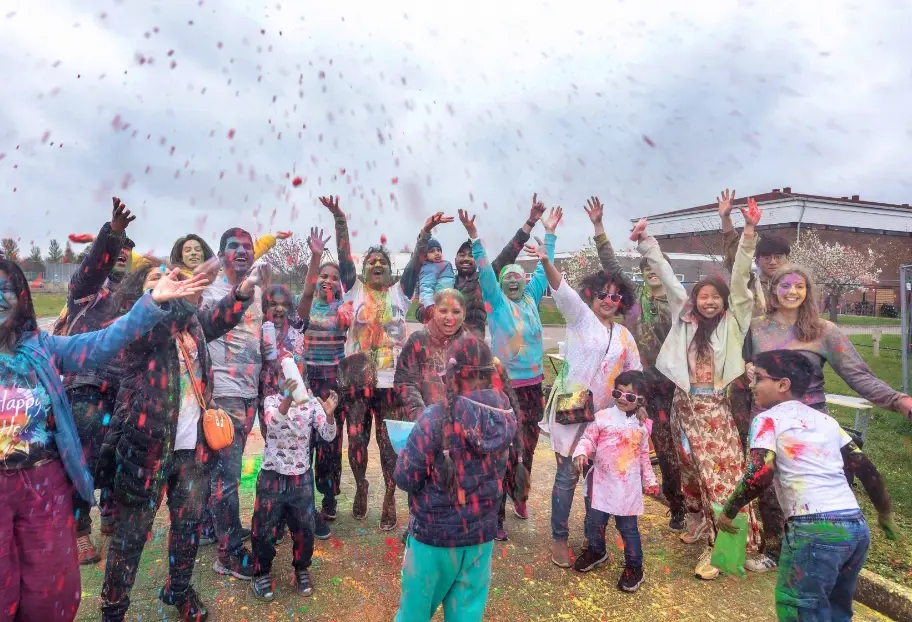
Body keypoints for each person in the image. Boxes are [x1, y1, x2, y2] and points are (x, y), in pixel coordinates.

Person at [0, 259, 206, 622]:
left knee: (52, 594)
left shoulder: (40, 347)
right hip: (142, 453)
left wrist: (153, 301)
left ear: (20, 297)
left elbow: (101, 343)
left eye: (5, 289)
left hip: (41, 486)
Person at [98, 262, 256, 621]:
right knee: (131, 534)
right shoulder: (136, 326)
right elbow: (162, 323)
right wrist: (178, 296)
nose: (168, 282)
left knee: (187, 526)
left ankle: (179, 589)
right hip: (147, 448)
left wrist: (240, 296)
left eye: (172, 277)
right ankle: (113, 609)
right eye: (156, 278)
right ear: (140, 294)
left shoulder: (190, 322)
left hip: (192, 447)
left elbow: (215, 319)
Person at [742, 264, 912, 573]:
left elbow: (858, 375)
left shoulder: (824, 331)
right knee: (766, 487)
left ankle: (816, 553)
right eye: (785, 286)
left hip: (810, 426)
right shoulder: (756, 328)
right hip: (767, 421)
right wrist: (747, 369)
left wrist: (898, 400)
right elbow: (745, 364)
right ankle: (777, 550)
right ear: (773, 290)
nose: (792, 291)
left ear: (807, 292)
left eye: (799, 286)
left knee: (808, 489)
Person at [718, 350, 899, 621]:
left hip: (814, 530)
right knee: (838, 610)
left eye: (758, 378)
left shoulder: (768, 419)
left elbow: (760, 474)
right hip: (854, 529)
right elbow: (866, 469)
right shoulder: (827, 422)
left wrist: (729, 511)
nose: (753, 385)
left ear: (782, 385)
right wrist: (884, 512)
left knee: (801, 612)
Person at [632, 202, 761, 581]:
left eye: (714, 296)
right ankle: (700, 523)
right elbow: (670, 279)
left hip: (714, 412)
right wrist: (646, 242)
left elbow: (740, 280)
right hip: (683, 407)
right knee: (691, 473)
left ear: (724, 302)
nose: (708, 300)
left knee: (719, 476)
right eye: (702, 295)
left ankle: (724, 549)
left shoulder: (733, 322)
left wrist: (748, 234)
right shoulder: (684, 320)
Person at [528, 234, 642, 567]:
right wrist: (547, 262)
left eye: (615, 296)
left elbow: (635, 375)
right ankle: (559, 539)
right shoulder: (579, 318)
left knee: (599, 480)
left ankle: (595, 541)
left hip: (607, 419)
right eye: (603, 294)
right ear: (591, 296)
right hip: (573, 411)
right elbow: (561, 289)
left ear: (621, 301)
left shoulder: (624, 336)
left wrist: (635, 411)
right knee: (567, 477)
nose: (609, 300)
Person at [392, 333, 517, 622]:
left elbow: (405, 477)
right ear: (489, 374)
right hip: (480, 540)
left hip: (433, 540)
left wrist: (407, 450)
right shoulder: (506, 416)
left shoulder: (435, 418)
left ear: (451, 375)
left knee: (413, 614)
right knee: (467, 616)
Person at [584, 195, 685, 532]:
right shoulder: (633, 306)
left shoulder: (679, 309)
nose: (653, 273)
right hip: (634, 390)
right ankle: (613, 504)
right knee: (620, 443)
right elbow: (612, 268)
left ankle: (678, 505)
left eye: (658, 269)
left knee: (669, 449)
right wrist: (599, 229)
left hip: (669, 387)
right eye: (648, 269)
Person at [339, 212, 446, 529]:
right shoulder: (353, 291)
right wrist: (341, 222)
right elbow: (344, 258)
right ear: (363, 269)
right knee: (357, 442)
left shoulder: (401, 292)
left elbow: (415, 263)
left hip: (390, 385)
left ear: (389, 270)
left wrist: (424, 232)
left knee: (389, 448)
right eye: (370, 261)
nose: (376, 265)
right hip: (357, 382)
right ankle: (361, 486)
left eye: (381, 262)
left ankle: (389, 497)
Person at [459, 198, 559, 521]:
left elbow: (546, 267)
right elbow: (486, 270)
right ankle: (496, 511)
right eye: (508, 277)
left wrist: (551, 235)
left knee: (527, 447)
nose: (513, 279)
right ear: (501, 284)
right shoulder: (497, 303)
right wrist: (474, 237)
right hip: (504, 388)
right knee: (502, 447)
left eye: (518, 275)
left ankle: (520, 493)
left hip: (533, 388)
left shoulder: (532, 299)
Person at [52, 198, 137, 565]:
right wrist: (112, 235)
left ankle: (110, 513)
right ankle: (79, 528)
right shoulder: (86, 291)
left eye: (127, 250)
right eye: (118, 250)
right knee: (82, 457)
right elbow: (90, 270)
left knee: (121, 452)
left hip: (124, 387)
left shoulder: (133, 297)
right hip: (86, 384)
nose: (123, 254)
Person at [718, 188, 793, 572]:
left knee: (785, 468)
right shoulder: (749, 287)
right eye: (766, 257)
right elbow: (737, 259)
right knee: (756, 462)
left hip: (785, 394)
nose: (770, 263)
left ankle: (785, 545)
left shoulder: (796, 296)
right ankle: (769, 543)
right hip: (747, 387)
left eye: (777, 257)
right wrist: (732, 222)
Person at [199, 227, 269, 579]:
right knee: (225, 477)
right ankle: (227, 554)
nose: (241, 251)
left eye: (247, 247)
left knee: (227, 471)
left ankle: (218, 528)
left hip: (248, 392)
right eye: (233, 246)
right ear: (221, 252)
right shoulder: (207, 289)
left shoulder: (257, 291)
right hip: (221, 395)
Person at [249, 360, 339, 602]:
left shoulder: (311, 403)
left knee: (304, 528)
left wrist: (329, 416)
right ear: (277, 379)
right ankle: (261, 572)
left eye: (296, 374)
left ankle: (301, 568)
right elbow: (273, 426)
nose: (290, 379)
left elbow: (328, 435)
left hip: (300, 477)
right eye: (284, 375)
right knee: (264, 527)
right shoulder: (270, 401)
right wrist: (287, 399)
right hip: (272, 475)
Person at [295, 196, 357, 522]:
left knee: (330, 442)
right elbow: (305, 293)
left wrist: (339, 220)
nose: (329, 280)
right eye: (324, 275)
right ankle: (302, 495)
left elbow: (348, 270)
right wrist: (314, 258)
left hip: (333, 380)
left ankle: (329, 496)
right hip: (306, 379)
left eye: (334, 277)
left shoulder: (343, 308)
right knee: (305, 438)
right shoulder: (303, 302)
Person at [572, 370, 657, 591]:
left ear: (640, 400)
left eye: (629, 396)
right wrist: (581, 452)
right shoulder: (602, 417)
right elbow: (588, 439)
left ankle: (634, 566)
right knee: (595, 522)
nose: (621, 398)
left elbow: (644, 456)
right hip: (601, 483)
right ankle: (597, 551)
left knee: (628, 529)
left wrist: (649, 481)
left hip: (627, 489)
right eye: (617, 392)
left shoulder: (641, 425)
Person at [447, 198, 542, 334]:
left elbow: (509, 253)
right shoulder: (447, 284)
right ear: (455, 259)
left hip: (476, 349)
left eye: (471, 255)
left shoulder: (484, 281)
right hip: (447, 348)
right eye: (462, 255)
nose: (466, 259)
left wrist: (530, 222)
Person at [395, 289, 467, 422]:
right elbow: (406, 383)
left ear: (464, 314)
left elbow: (480, 388)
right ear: (433, 311)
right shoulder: (418, 341)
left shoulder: (471, 346)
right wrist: (423, 419)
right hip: (423, 427)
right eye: (443, 311)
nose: (450, 318)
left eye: (456, 312)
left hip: (460, 428)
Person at [416, 238, 455, 323]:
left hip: (448, 303)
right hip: (436, 307)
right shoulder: (428, 268)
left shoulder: (445, 264)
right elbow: (426, 288)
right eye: (432, 251)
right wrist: (429, 306)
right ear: (425, 255)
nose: (437, 253)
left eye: (439, 250)